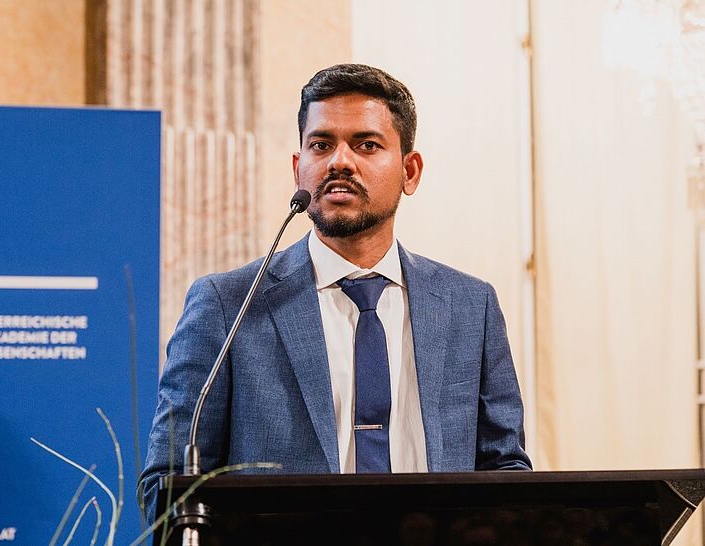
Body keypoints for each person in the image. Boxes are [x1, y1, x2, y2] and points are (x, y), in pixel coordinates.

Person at [138, 63, 532, 522]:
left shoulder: (470, 307)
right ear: (298, 168)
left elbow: (506, 472)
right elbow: (167, 488)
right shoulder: (228, 306)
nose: (339, 161)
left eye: (366, 145)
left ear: (410, 170)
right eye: (321, 145)